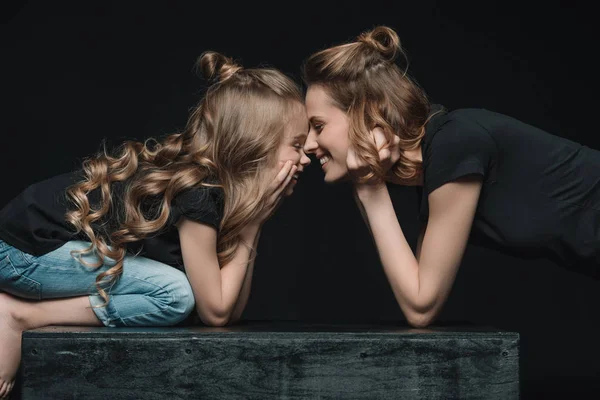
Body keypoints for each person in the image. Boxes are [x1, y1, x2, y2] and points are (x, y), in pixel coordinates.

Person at [0, 51, 311, 398]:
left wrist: (254, 219)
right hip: (21, 251)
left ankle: (21, 313)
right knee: (174, 295)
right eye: (297, 145)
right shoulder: (199, 193)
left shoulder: (217, 193)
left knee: (177, 295)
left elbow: (231, 306)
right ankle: (19, 314)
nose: (307, 155)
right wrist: (253, 224)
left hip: (30, 250)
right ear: (254, 146)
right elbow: (216, 312)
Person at [301, 25, 600, 329]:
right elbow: (417, 294)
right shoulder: (435, 164)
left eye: (319, 126)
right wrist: (367, 186)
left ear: (369, 114)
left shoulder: (455, 144)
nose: (309, 143)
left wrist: (370, 189)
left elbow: (422, 305)